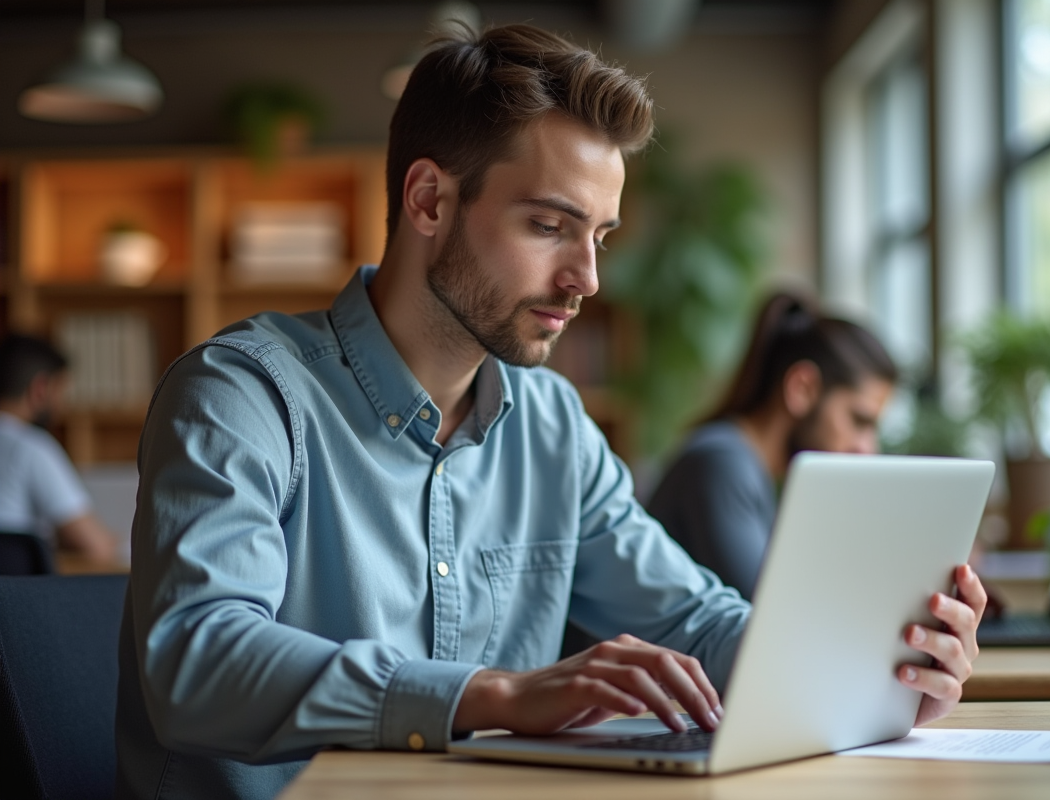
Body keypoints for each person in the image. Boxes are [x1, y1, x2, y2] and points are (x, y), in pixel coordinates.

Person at [115, 24, 986, 800]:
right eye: (548, 226)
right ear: (428, 201)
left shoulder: (552, 422)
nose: (588, 279)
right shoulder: (240, 394)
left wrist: (879, 666)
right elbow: (196, 660)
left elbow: (693, 621)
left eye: (598, 237)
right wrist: (492, 694)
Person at [648, 293, 899, 599]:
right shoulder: (722, 464)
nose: (866, 449)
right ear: (801, 388)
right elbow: (774, 617)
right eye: (859, 421)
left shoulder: (751, 467)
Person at [0, 333, 119, 564]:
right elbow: (95, 546)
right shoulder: (31, 447)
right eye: (61, 391)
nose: (62, 404)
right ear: (40, 388)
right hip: (16, 598)